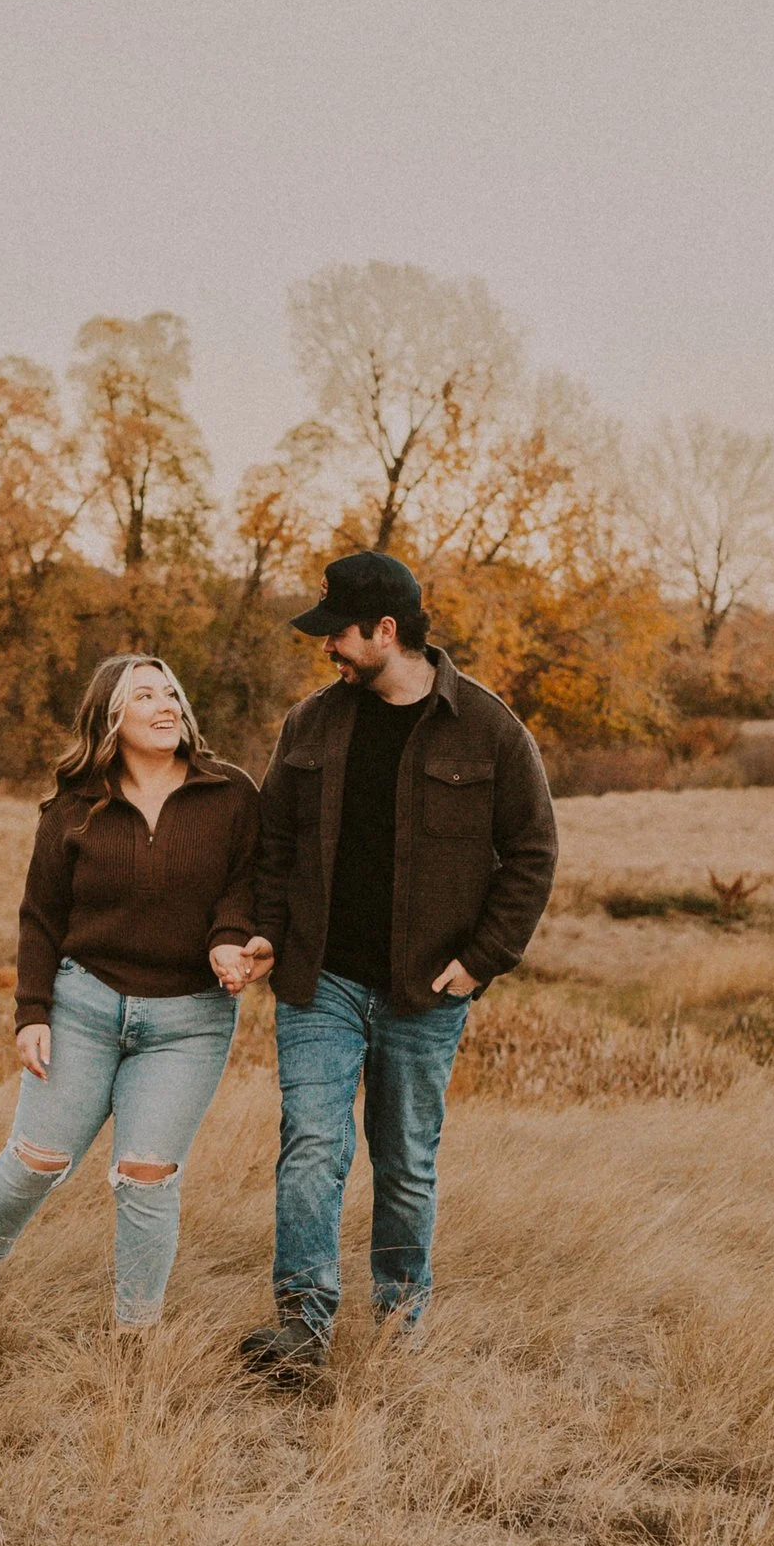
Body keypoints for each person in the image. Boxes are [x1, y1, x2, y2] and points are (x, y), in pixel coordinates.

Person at [230, 551, 557, 1383]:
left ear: (386, 630)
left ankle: (397, 1329)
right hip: (321, 980)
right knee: (311, 1144)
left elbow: (532, 853)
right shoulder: (310, 723)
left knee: (405, 1158)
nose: (327, 649)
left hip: (425, 991)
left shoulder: (488, 728)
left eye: (337, 632)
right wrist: (268, 930)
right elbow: (272, 842)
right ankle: (301, 1329)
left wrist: (480, 960)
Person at [0, 653, 260, 1331]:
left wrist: (230, 936)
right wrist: (32, 1011)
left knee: (147, 1174)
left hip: (189, 1019)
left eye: (172, 692)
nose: (167, 705)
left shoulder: (228, 793)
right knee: (36, 1159)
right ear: (111, 715)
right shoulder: (73, 807)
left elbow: (248, 881)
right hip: (84, 1005)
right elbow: (41, 917)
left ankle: (133, 1335)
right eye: (146, 695)